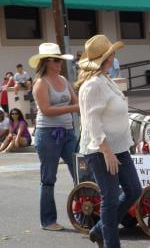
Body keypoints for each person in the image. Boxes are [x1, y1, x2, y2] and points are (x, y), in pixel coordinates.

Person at [76, 34, 142, 248]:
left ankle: (98, 230)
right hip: (100, 148)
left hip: (119, 146)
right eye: (112, 53)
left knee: (134, 190)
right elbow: (91, 121)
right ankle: (110, 243)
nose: (115, 56)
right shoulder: (92, 85)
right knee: (111, 198)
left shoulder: (106, 79)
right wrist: (106, 151)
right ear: (106, 58)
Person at [29, 42, 78, 231]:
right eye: (56, 60)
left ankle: (83, 213)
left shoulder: (64, 80)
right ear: (46, 62)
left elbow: (76, 100)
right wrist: (75, 108)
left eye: (60, 60)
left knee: (81, 173)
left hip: (68, 132)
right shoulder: (41, 83)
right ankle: (48, 220)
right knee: (48, 178)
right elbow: (47, 110)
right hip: (47, 133)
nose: (59, 63)